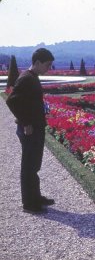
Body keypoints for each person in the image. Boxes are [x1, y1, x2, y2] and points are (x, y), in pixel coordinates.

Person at [6, 48, 55, 214]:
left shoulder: (32, 76)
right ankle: (29, 203)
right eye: (47, 65)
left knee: (33, 164)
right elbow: (12, 101)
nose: (49, 68)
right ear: (38, 62)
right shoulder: (26, 78)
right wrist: (26, 122)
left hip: (35, 127)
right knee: (28, 166)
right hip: (30, 129)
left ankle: (36, 197)